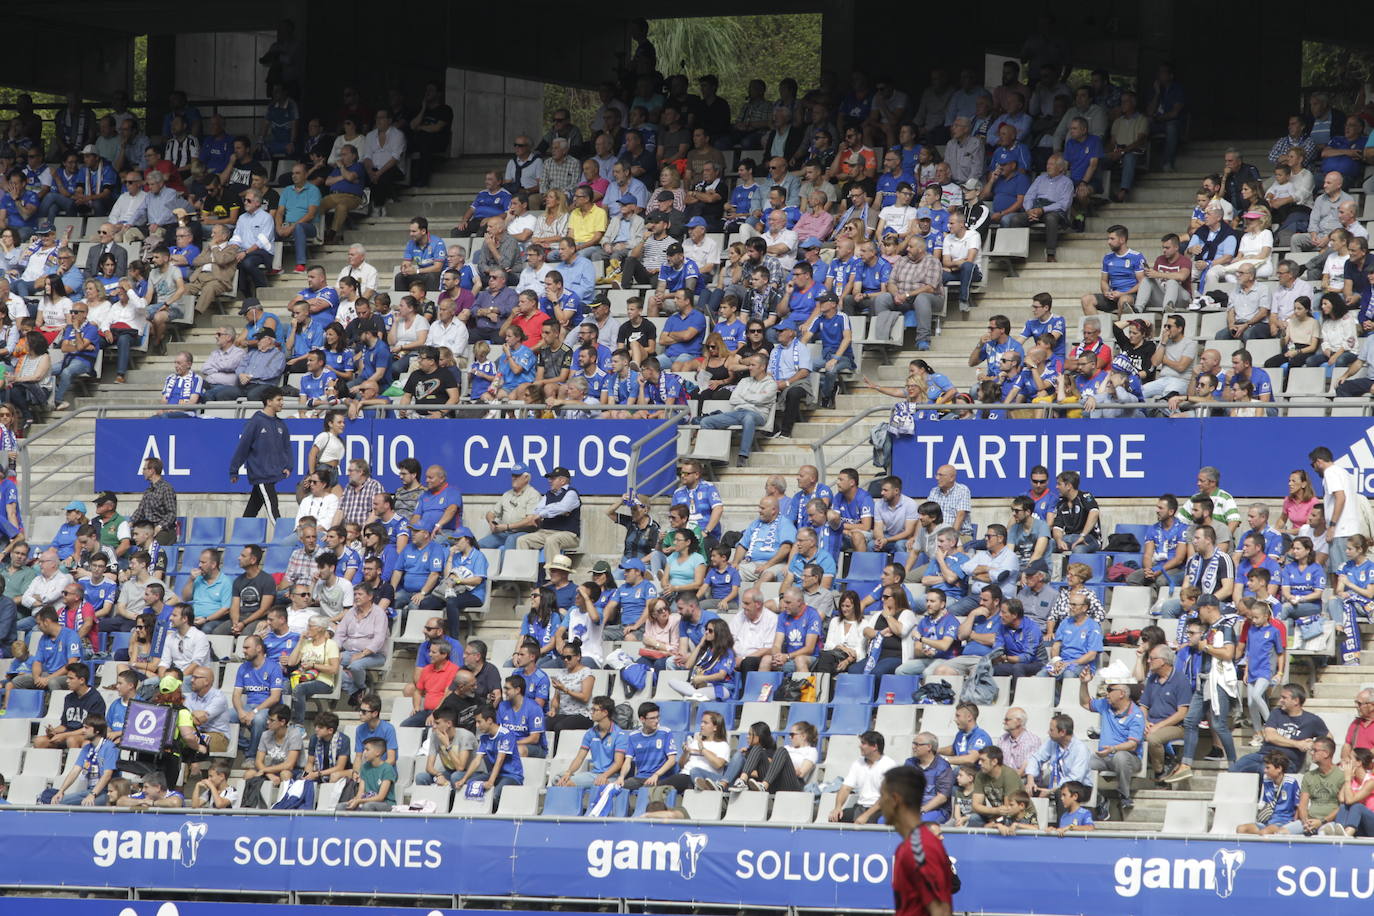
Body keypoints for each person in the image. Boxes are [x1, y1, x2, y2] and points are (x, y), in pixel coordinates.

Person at [880, 765, 956, 916]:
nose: (880, 803)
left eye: (882, 796)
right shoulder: (911, 845)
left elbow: (941, 911)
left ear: (895, 799)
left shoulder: (920, 847)